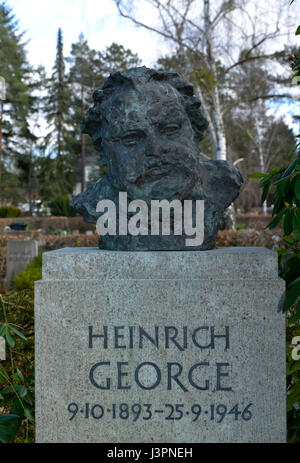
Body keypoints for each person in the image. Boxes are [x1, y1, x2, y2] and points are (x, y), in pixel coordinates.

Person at [71, 66, 242, 250]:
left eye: (170, 129)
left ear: (195, 132)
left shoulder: (221, 183)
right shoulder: (99, 203)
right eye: (131, 137)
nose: (156, 149)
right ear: (104, 152)